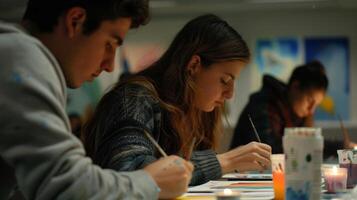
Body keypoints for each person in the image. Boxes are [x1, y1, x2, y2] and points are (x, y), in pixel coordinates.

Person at [0, 0, 193, 199]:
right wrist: (152, 182)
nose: (110, 65)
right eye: (110, 43)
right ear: (75, 21)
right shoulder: (20, 57)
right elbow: (71, 188)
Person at [82, 14, 272, 186]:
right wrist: (225, 161)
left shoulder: (198, 111)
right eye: (225, 80)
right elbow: (128, 171)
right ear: (194, 65)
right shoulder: (133, 99)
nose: (230, 93)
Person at [230, 60, 355, 158]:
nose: (311, 110)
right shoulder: (265, 104)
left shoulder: (296, 112)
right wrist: (336, 147)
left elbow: (303, 144)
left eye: (316, 105)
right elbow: (272, 149)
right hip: (241, 177)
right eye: (310, 101)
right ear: (295, 87)